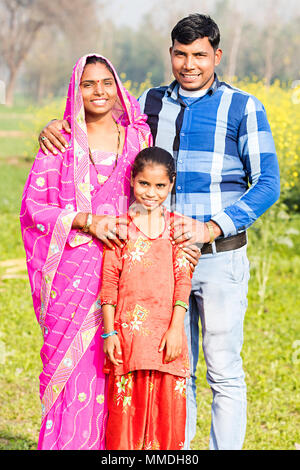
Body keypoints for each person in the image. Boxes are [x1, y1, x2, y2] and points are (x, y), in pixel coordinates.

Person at [37, 13, 280, 451]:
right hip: (155, 266)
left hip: (218, 256)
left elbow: (267, 184)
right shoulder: (149, 103)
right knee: (173, 369)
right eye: (181, 54)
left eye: (200, 55)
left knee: (223, 369)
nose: (190, 64)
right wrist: (58, 126)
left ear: (216, 56)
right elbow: (97, 112)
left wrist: (210, 227)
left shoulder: (243, 107)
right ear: (171, 54)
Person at [20, 53, 153, 450]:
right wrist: (85, 221)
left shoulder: (138, 139)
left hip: (124, 271)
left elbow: (155, 195)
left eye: (106, 82)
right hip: (71, 275)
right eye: (88, 83)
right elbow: (33, 208)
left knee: (118, 367)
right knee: (71, 370)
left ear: (119, 88)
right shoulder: (59, 142)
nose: (99, 91)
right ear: (75, 91)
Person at [100, 146, 192, 450]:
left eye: (160, 186)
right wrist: (110, 332)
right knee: (124, 422)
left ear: (172, 184)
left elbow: (183, 282)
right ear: (131, 180)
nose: (151, 192)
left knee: (166, 422)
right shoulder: (120, 227)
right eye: (144, 184)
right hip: (128, 341)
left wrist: (177, 328)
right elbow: (110, 282)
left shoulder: (179, 228)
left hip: (168, 340)